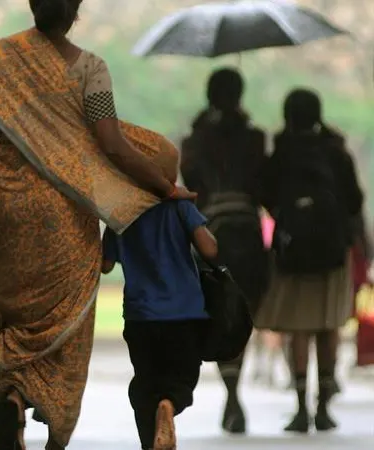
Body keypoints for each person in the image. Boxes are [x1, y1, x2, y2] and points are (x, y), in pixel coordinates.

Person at [0, 1, 197, 448]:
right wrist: (165, 189)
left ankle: (9, 403)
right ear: (76, 11)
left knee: (16, 319)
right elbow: (112, 144)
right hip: (64, 207)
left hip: (4, 203)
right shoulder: (90, 68)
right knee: (66, 320)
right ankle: (41, 412)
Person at [256, 88, 364, 433]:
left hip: (293, 255)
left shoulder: (281, 154)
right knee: (327, 326)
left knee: (299, 329)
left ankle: (301, 406)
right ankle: (324, 408)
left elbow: (266, 197)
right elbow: (355, 201)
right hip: (332, 253)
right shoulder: (336, 151)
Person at [102, 139, 216, 450]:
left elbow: (105, 265)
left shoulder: (122, 211)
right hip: (185, 312)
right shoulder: (180, 205)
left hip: (141, 315)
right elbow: (209, 249)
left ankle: (149, 440)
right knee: (181, 377)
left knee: (145, 381)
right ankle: (170, 405)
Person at [180, 67, 269, 434]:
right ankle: (236, 390)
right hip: (248, 230)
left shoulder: (195, 140)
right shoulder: (255, 138)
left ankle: (232, 394)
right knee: (244, 306)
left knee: (223, 307)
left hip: (212, 232)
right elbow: (263, 186)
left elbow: (192, 185)